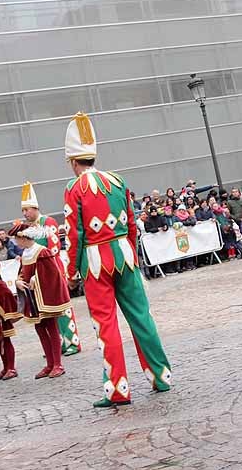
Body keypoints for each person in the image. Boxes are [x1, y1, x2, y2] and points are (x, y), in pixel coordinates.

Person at [62, 113, 172, 407]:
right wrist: (133, 256)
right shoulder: (118, 180)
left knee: (105, 323)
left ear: (74, 162)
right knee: (140, 315)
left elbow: (76, 233)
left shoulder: (74, 189)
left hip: (95, 262)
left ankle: (118, 389)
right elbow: (133, 222)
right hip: (124, 254)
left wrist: (72, 270)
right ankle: (160, 376)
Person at [21, 181, 82, 356]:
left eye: (27, 210)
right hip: (39, 274)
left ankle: (72, 342)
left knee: (63, 307)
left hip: (53, 270)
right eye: (23, 211)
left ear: (35, 208)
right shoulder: (29, 227)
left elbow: (53, 247)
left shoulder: (48, 221)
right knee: (49, 310)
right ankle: (59, 343)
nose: (25, 214)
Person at [12, 220, 72, 379]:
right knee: (40, 329)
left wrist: (36, 279)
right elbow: (22, 272)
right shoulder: (25, 254)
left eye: (16, 239)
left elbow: (52, 273)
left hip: (44, 297)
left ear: (23, 238)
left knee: (51, 328)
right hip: (33, 298)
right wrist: (18, 280)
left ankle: (58, 364)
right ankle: (50, 363)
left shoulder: (42, 251)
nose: (16, 242)